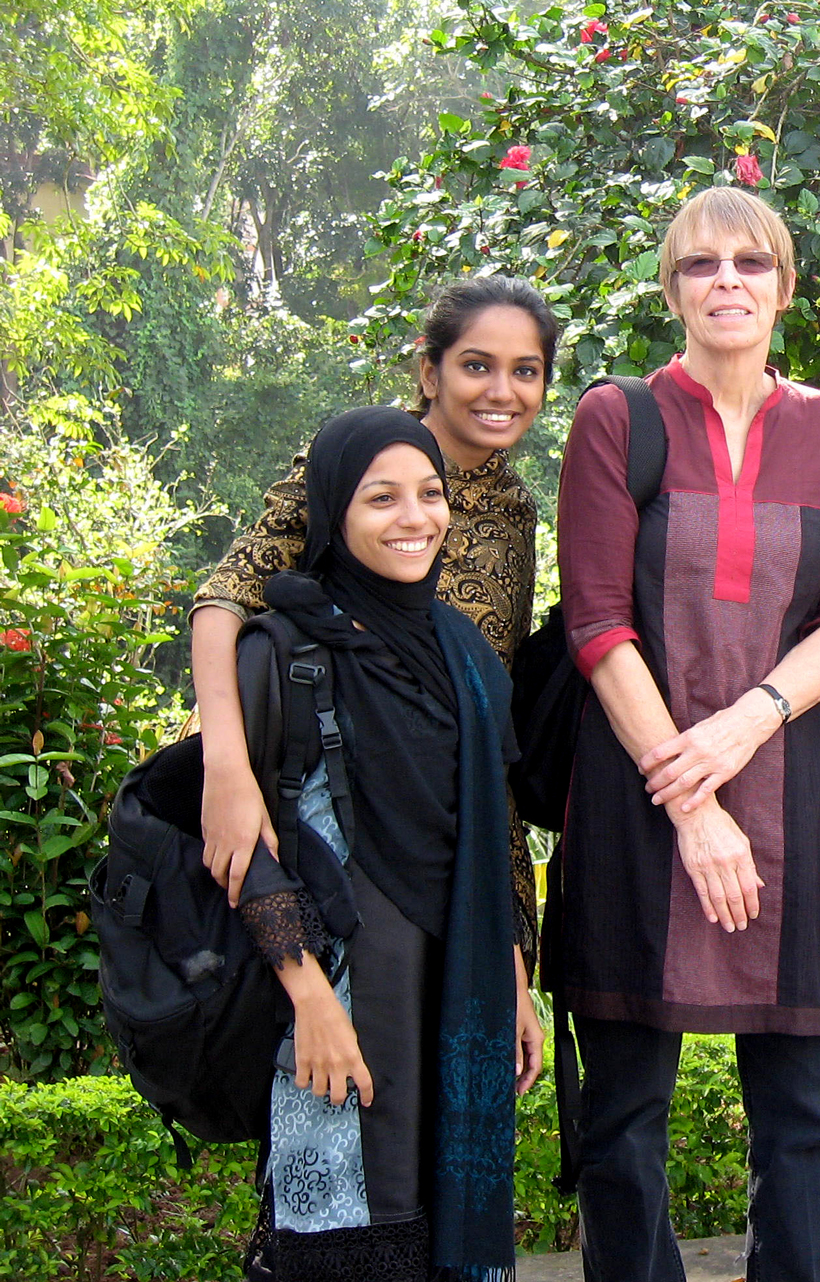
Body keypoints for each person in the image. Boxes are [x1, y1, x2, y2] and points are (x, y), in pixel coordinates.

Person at [554, 186, 820, 1282]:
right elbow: (597, 620)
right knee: (622, 1121)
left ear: (785, 287)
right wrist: (693, 805)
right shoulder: (617, 418)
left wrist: (745, 724)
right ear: (672, 290)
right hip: (638, 797)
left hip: (794, 790)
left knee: (803, 1118)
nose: (726, 280)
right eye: (701, 264)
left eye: (750, 262)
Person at [229, 407, 533, 1281]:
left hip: (456, 990)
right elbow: (245, 848)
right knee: (347, 1239)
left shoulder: (464, 652)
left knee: (447, 1234)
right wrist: (309, 999)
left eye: (431, 495)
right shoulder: (283, 649)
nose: (415, 518)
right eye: (381, 498)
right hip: (341, 1005)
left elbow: (492, 822)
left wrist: (512, 976)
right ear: (332, 512)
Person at [193, 276, 557, 976]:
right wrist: (226, 770)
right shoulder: (361, 464)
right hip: (332, 807)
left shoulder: (513, 507)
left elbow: (486, 698)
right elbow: (224, 598)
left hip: (454, 811)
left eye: (526, 371)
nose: (500, 391)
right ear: (430, 371)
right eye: (476, 365)